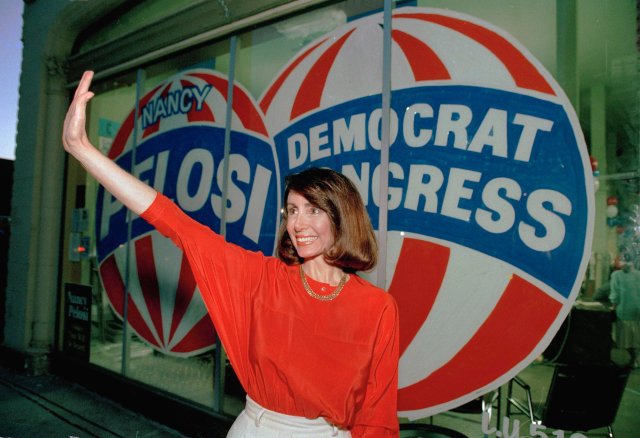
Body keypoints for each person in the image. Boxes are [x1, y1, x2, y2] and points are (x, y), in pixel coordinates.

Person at [62, 71, 400, 437]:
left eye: (313, 210)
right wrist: (81, 148)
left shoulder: (377, 308)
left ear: (341, 217)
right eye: (292, 210)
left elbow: (377, 416)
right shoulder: (262, 279)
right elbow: (174, 222)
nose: (298, 223)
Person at [609, 254, 640, 368]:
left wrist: (613, 306)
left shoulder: (616, 275)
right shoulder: (638, 274)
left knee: (626, 338)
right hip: (638, 311)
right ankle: (635, 359)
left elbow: (615, 294)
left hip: (624, 311)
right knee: (637, 336)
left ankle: (632, 360)